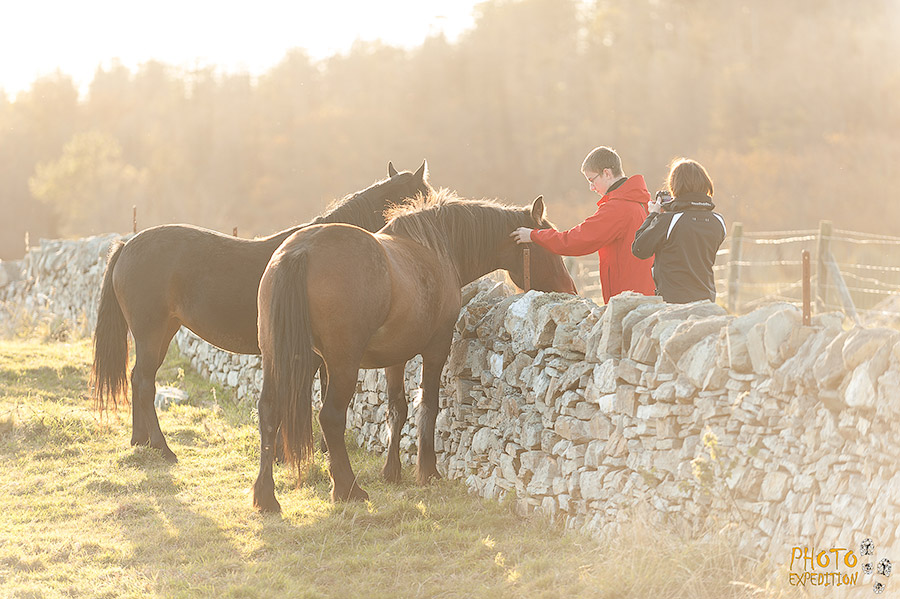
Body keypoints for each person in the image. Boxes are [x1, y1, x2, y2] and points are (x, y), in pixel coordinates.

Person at [510, 146, 655, 304]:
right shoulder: (642, 203)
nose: (591, 187)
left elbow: (575, 240)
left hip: (628, 301)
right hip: (645, 296)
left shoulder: (618, 208)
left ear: (606, 173)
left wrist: (533, 235)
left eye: (592, 180)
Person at [631, 158, 726, 303]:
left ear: (675, 187)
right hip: (707, 300)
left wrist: (653, 215)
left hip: (674, 303)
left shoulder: (669, 221)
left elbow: (639, 249)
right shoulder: (718, 221)